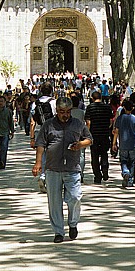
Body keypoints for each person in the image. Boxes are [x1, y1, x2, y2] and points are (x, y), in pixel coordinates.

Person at [32, 97, 93, 243]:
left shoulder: (78, 124)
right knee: (54, 202)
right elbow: (40, 144)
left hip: (72, 168)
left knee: (75, 197)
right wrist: (38, 163)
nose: (65, 115)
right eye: (61, 112)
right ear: (56, 111)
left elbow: (89, 139)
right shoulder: (48, 125)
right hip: (53, 168)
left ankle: (73, 223)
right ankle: (58, 231)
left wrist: (80, 145)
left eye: (67, 112)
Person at [30, 82, 56, 193]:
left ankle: (43, 176)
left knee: (42, 155)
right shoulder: (54, 102)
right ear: (51, 90)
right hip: (52, 130)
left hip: (39, 130)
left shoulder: (35, 103)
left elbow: (32, 122)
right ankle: (48, 178)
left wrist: (32, 138)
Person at [85, 91, 114, 184]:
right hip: (105, 134)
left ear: (92, 98)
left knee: (95, 156)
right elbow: (111, 121)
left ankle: (97, 175)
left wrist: (87, 134)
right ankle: (105, 169)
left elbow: (88, 123)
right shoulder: (107, 107)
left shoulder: (90, 108)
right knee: (104, 153)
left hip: (94, 135)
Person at [112, 99, 135, 188]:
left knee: (123, 161)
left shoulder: (120, 118)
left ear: (123, 108)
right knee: (132, 162)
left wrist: (114, 143)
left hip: (123, 143)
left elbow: (116, 131)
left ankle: (125, 172)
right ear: (132, 108)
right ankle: (130, 181)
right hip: (132, 144)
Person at [70, 95, 87, 182]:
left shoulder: (69, 113)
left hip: (70, 135)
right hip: (80, 134)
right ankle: (81, 173)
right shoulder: (82, 112)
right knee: (81, 155)